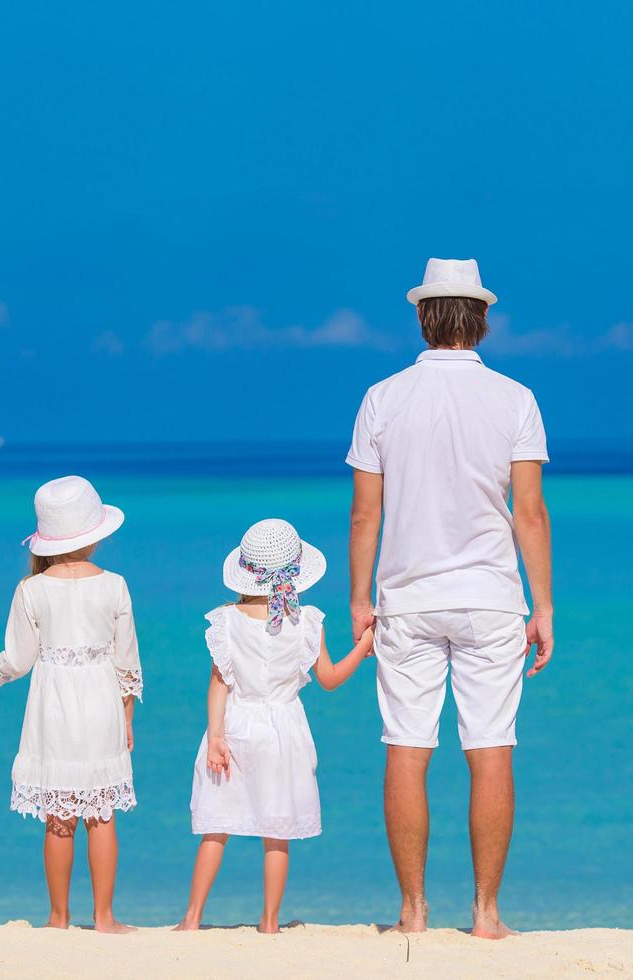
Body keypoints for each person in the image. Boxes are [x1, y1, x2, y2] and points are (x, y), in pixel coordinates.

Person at [346, 258, 554, 939]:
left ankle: (412, 911)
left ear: (422, 317)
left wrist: (358, 596)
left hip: (406, 597)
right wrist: (543, 605)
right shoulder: (516, 399)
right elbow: (529, 513)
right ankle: (486, 914)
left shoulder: (382, 397)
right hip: (491, 597)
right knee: (491, 747)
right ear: (483, 320)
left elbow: (364, 515)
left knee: (407, 746)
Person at [177, 519, 376, 934]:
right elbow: (329, 678)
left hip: (235, 724)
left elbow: (220, 682)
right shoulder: (307, 621)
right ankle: (269, 923)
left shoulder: (226, 620)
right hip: (284, 729)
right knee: (276, 833)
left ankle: (192, 918)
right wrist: (364, 647)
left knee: (217, 826)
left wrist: (216, 736)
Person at [0, 475, 141, 934]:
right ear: (95, 534)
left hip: (53, 710)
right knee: (102, 815)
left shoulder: (32, 589)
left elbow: (19, 662)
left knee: (59, 817)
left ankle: (58, 918)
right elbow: (127, 664)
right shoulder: (116, 585)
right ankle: (104, 918)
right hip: (101, 704)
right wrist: (127, 718)